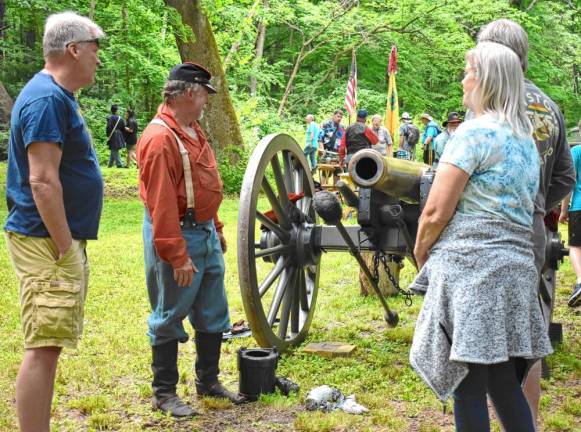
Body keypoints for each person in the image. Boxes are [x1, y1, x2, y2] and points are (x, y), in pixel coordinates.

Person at [409, 42, 553, 432]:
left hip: (474, 272)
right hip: (514, 271)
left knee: (468, 386)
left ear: (486, 80)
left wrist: (422, 253)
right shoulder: (524, 140)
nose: (463, 79)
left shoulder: (473, 134)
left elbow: (437, 211)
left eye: (468, 71)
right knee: (503, 381)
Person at [3, 12, 104, 432]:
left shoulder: (57, 96)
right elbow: (42, 180)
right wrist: (65, 248)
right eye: (96, 50)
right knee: (43, 347)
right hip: (47, 241)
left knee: (49, 345)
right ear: (73, 49)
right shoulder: (46, 98)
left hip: (52, 239)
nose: (99, 60)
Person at [477, 19, 575, 426]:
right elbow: (566, 176)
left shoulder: (492, 104)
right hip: (534, 236)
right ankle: (526, 420)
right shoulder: (549, 107)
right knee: (528, 331)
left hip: (488, 234)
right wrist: (536, 207)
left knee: (485, 333)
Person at [137, 62, 243, 418]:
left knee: (213, 310)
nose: (206, 103)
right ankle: (164, 392)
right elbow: (161, 202)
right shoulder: (159, 138)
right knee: (169, 313)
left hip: (204, 232)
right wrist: (176, 255)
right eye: (203, 96)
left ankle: (208, 381)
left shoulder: (192, 130)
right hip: (178, 234)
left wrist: (216, 226)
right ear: (187, 93)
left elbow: (203, 183)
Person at [559, 146, 581, 307]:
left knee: (575, 247)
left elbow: (569, 181)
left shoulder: (577, 151)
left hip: (579, 207)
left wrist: (563, 209)